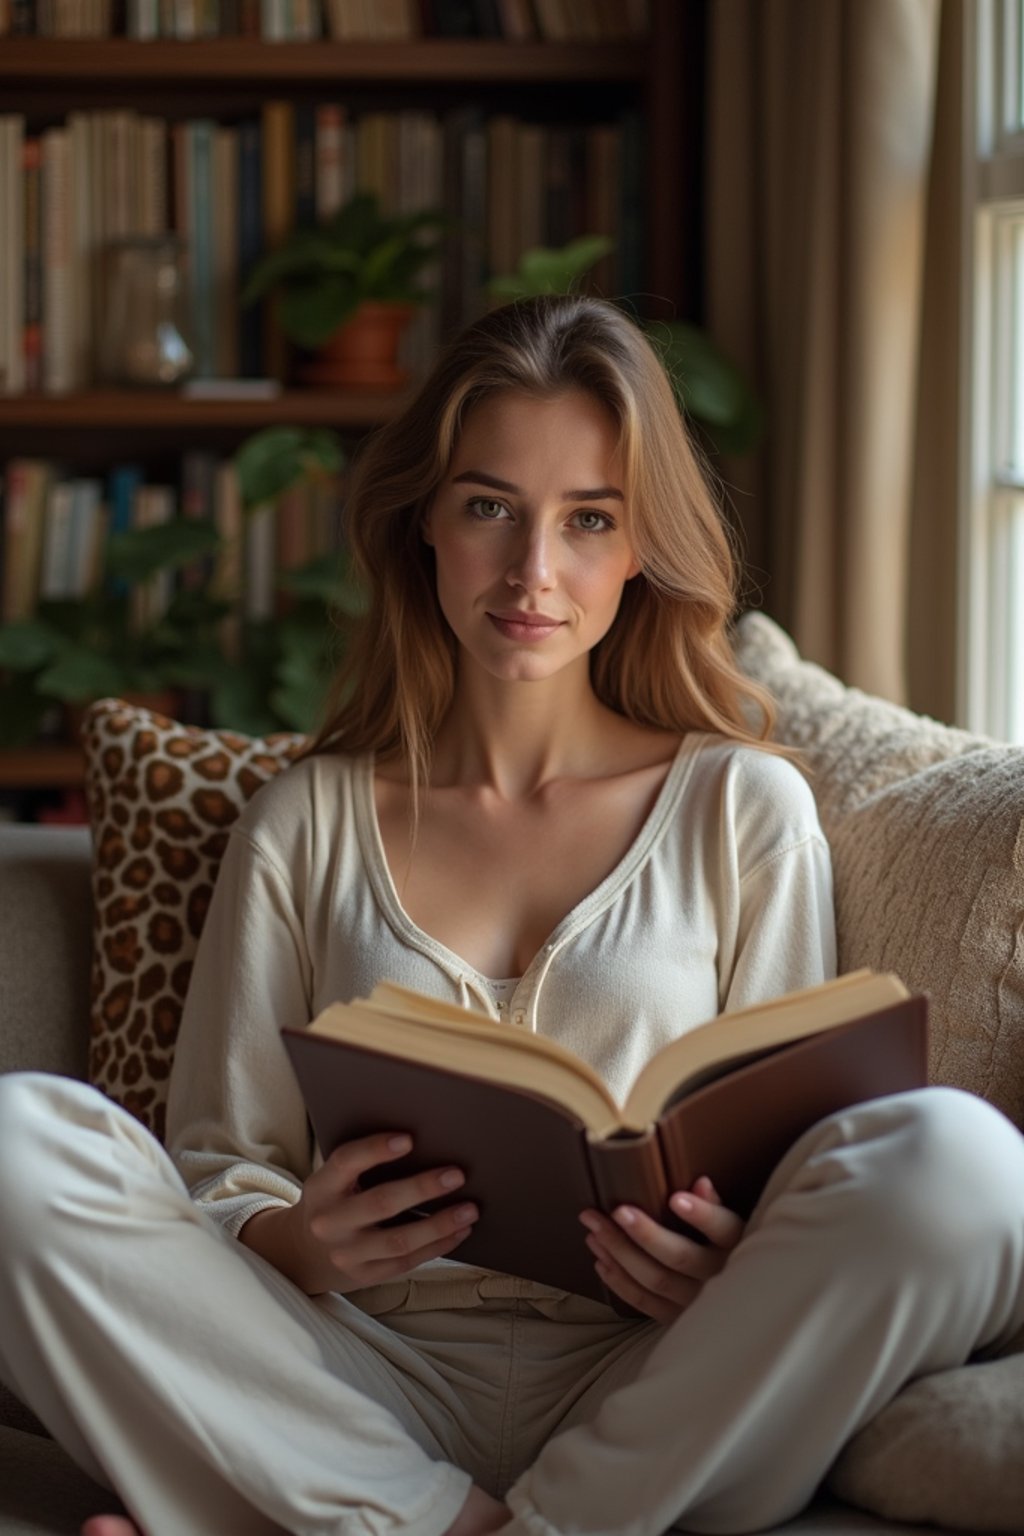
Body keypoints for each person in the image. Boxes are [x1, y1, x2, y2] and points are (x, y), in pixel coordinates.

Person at [1, 294, 1022, 1536]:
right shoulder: (304, 821)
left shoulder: (740, 806)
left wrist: (723, 1254)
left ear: (641, 546)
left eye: (587, 520)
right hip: (341, 1374)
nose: (533, 571)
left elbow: (786, 1142)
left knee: (962, 1167)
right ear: (423, 521)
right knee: (15, 1145)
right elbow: (222, 1168)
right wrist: (306, 1243)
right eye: (490, 507)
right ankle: (445, 1517)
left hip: (661, 1382)